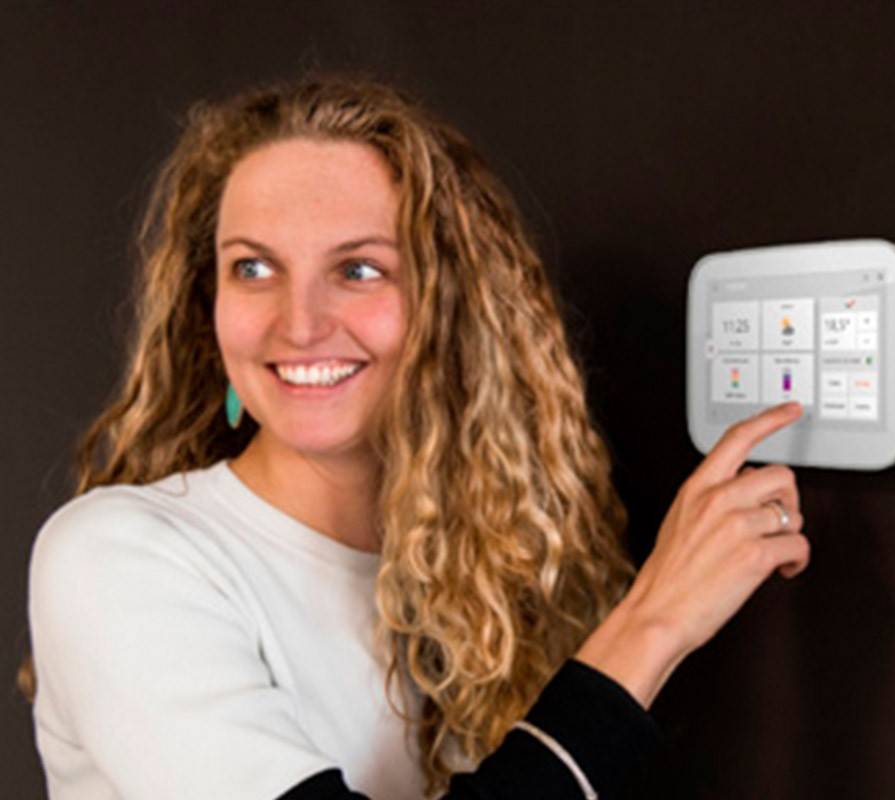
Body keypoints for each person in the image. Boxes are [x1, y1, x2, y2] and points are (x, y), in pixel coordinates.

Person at [24, 75, 809, 800]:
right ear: (208, 305)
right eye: (254, 269)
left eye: (359, 270)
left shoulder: (485, 579)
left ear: (450, 308)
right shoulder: (114, 556)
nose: (299, 325)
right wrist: (655, 622)